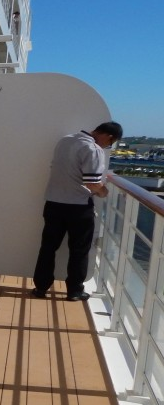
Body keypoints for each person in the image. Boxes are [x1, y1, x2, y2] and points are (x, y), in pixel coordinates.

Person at [32, 121, 123, 301]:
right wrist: (104, 192)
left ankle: (41, 287)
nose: (107, 147)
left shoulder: (65, 141)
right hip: (78, 207)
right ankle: (74, 291)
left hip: (53, 203)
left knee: (48, 247)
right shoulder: (93, 150)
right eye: (110, 144)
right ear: (109, 136)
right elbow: (92, 183)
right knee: (79, 249)